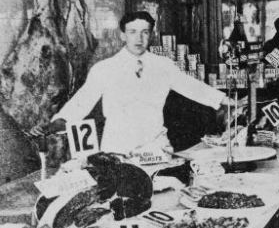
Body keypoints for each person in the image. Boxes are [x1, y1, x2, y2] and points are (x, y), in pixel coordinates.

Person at [29, 11, 236, 155]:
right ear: (122, 35)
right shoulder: (105, 69)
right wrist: (54, 125)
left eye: (145, 32)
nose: (139, 38)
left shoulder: (163, 65)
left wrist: (227, 100)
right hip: (118, 148)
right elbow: (80, 103)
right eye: (132, 32)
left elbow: (191, 86)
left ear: (151, 35)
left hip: (155, 148)